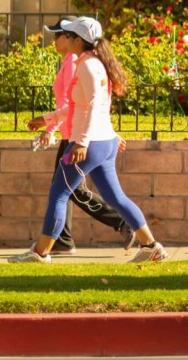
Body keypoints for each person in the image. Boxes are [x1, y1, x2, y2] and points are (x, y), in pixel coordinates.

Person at [10, 16, 170, 264]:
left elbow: (93, 105)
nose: (63, 38)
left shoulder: (87, 66)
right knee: (116, 197)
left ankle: (40, 253)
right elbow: (81, 106)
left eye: (69, 34)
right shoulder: (94, 63)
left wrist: (81, 142)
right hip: (103, 143)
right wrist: (47, 118)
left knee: (59, 194)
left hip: (90, 143)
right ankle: (151, 246)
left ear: (77, 40)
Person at [36, 16, 135, 255]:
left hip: (77, 135)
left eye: (58, 34)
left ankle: (121, 223)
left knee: (67, 190)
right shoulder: (70, 61)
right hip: (73, 132)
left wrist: (51, 128)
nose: (55, 40)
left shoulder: (77, 63)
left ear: (71, 38)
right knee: (63, 189)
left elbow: (87, 103)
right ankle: (62, 240)